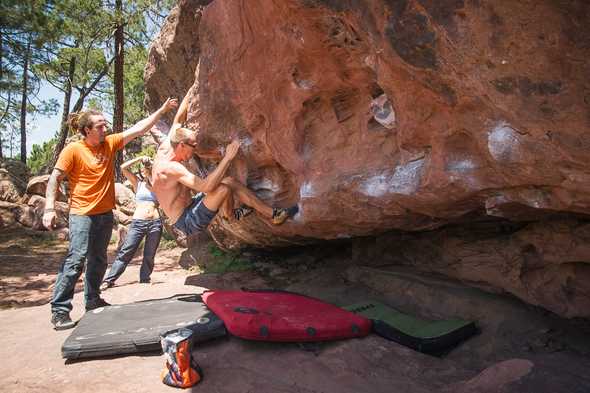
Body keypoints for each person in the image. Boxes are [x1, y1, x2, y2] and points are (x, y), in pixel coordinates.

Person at [43, 98, 178, 330]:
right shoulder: (73, 150)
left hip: (105, 214)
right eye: (100, 126)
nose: (106, 128)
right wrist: (49, 207)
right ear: (87, 130)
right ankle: (60, 310)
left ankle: (93, 300)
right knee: (76, 260)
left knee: (98, 260)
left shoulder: (110, 143)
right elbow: (55, 178)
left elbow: (139, 128)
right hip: (81, 214)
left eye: (105, 124)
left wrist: (162, 109)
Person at [152, 90, 298, 237]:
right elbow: (205, 186)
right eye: (193, 146)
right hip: (188, 221)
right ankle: (230, 216)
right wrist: (227, 157)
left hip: (191, 205)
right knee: (223, 189)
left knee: (229, 181)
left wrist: (191, 91)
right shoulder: (171, 168)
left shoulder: (169, 143)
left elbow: (178, 120)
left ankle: (273, 214)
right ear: (182, 145)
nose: (195, 149)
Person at [100, 156, 162, 290]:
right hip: (138, 222)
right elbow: (123, 168)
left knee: (149, 254)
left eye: (148, 168)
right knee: (126, 252)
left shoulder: (158, 185)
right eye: (143, 168)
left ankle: (145, 279)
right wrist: (139, 158)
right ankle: (109, 280)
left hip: (155, 223)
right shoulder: (137, 183)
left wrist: (151, 165)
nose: (145, 169)